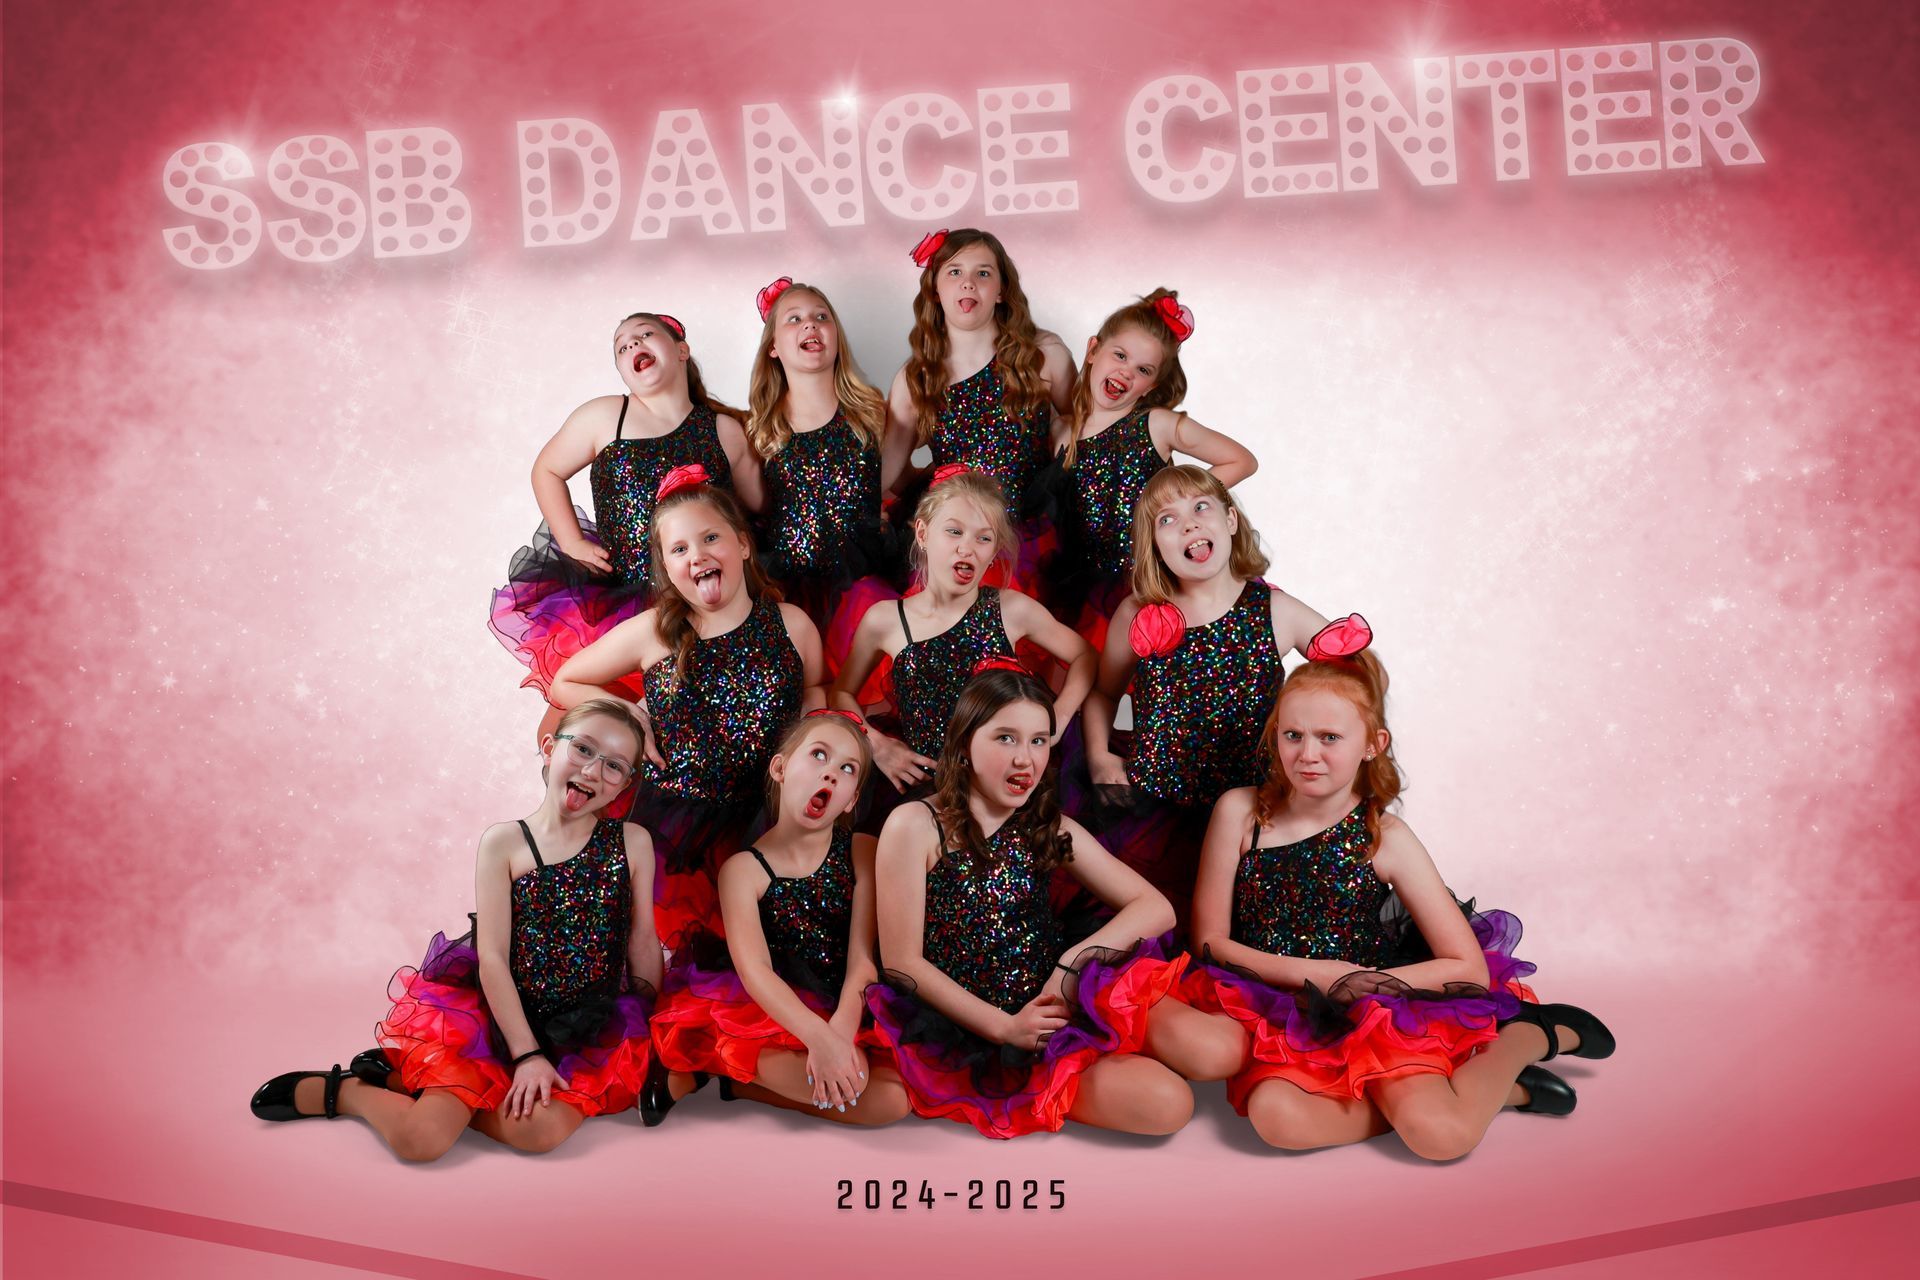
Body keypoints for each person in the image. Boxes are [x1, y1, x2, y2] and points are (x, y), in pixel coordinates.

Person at [1154, 629, 1615, 1158]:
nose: (1308, 754)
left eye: (1330, 738)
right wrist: (1311, 975)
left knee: (1441, 1139)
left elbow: (1466, 967)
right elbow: (1210, 940)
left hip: (1377, 1004)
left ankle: (1529, 1037)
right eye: (1293, 736)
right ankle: (1500, 1093)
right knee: (1276, 1119)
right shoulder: (1240, 811)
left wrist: (1361, 983)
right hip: (1275, 1004)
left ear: (1373, 745)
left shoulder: (1385, 838)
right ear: (1275, 736)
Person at [248, 700, 661, 1161]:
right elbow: (494, 959)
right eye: (583, 749)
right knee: (420, 1142)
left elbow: (641, 939)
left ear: (625, 783)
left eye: (614, 766)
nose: (592, 771)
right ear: (549, 748)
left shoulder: (632, 842)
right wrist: (526, 1055)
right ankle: (347, 1091)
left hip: (585, 1024)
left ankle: (408, 1081)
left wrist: (651, 1028)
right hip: (497, 1019)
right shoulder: (504, 842)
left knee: (540, 1134)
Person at [867, 660, 1194, 1139]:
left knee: (1202, 1050)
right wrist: (1004, 1029)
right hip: (975, 1024)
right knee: (1169, 1106)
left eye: (1038, 740)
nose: (1026, 760)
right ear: (963, 746)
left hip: (1050, 995)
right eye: (1006, 738)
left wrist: (1071, 963)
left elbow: (1156, 908)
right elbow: (902, 963)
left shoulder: (1045, 827)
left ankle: (1112, 1045)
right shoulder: (916, 826)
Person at [550, 468, 822, 946]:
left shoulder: (792, 624)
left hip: (768, 816)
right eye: (679, 549)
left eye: (710, 537)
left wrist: (808, 747)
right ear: (667, 567)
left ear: (741, 545)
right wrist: (627, 709)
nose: (697, 556)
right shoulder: (655, 631)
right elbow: (564, 680)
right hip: (675, 829)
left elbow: (815, 690)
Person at [1079, 465, 1329, 919]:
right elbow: (1101, 695)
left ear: (1230, 520)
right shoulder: (1138, 614)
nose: (1189, 522)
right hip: (1157, 813)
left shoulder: (1275, 610)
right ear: (1155, 544)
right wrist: (1099, 756)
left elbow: (1351, 679)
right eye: (1167, 519)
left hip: (1254, 819)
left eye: (1200, 507)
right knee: (1151, 932)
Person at [647, 709, 910, 1126]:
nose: (831, 775)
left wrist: (837, 1034)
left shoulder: (863, 851)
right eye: (819, 755)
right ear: (780, 768)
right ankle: (721, 1062)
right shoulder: (743, 870)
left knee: (896, 1098)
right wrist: (817, 1037)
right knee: (879, 1102)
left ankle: (735, 1084)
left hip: (844, 997)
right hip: (774, 1005)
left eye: (847, 769)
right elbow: (758, 973)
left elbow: (863, 957)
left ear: (853, 799)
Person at [489, 312, 761, 700]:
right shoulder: (605, 416)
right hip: (624, 595)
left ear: (682, 350)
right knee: (598, 707)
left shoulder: (723, 430)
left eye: (645, 334)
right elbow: (547, 470)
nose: (632, 344)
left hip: (703, 595)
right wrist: (571, 541)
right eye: (621, 346)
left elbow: (755, 507)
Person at [832, 467, 1092, 827]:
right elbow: (842, 692)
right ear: (923, 534)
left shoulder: (1010, 609)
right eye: (954, 531)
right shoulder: (885, 620)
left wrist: (1059, 716)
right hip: (929, 786)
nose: (967, 548)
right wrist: (877, 744)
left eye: (984, 539)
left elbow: (1084, 655)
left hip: (1003, 783)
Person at [1050, 289, 1257, 650]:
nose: (1125, 373)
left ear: (1153, 385)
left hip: (1142, 583)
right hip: (1074, 590)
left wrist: (1173, 508)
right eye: (1119, 355)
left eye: (1142, 370)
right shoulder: (1060, 431)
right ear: (1093, 349)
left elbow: (1241, 460)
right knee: (1072, 683)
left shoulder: (1154, 425)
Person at [883, 228, 1075, 589]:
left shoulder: (1043, 354)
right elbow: (887, 471)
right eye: (955, 272)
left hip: (1033, 530)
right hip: (960, 539)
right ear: (935, 290)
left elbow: (1083, 427)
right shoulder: (916, 378)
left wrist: (1063, 431)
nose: (968, 283)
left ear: (1001, 290)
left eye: (982, 273)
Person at [744, 277, 900, 688]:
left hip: (862, 583)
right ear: (773, 348)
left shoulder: (870, 410)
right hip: (792, 583)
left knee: (871, 689)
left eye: (821, 317)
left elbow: (896, 471)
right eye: (794, 319)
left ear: (836, 337)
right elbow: (757, 506)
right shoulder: (761, 429)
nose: (810, 325)